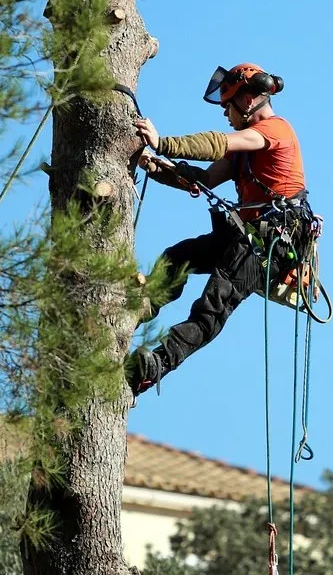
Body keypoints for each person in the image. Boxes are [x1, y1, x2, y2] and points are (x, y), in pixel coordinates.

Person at [127, 63, 313, 396]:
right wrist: (157, 168)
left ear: (248, 101)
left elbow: (216, 143)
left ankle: (156, 366)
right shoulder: (244, 153)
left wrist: (163, 143)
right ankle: (143, 304)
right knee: (178, 256)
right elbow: (206, 178)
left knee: (213, 305)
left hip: (274, 240)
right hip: (249, 235)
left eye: (228, 105)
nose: (225, 113)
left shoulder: (274, 131)